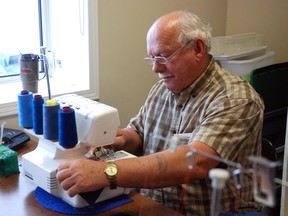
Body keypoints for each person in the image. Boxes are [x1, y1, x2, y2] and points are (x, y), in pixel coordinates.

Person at [57, 11, 265, 215]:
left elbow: (193, 163)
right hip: (152, 205)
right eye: (151, 58)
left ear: (198, 48)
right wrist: (117, 138)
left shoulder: (236, 99)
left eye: (163, 56)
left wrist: (107, 172)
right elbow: (138, 134)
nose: (156, 68)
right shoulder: (162, 89)